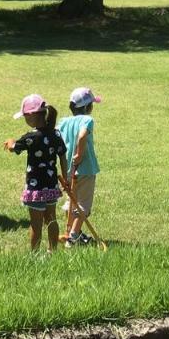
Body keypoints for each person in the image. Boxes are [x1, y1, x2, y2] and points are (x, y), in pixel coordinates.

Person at [6, 94, 69, 252]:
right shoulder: (55, 134)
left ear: (33, 115)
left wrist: (10, 142)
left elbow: (15, 147)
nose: (25, 120)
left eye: (25, 116)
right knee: (51, 219)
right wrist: (66, 178)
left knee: (36, 223)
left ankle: (34, 255)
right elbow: (62, 156)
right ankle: (52, 251)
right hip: (51, 186)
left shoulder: (31, 137)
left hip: (36, 189)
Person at [57, 86, 101, 248]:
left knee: (72, 200)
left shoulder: (64, 122)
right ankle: (73, 237)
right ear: (88, 107)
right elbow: (82, 135)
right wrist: (79, 154)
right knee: (83, 204)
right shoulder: (87, 120)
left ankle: (72, 231)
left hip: (68, 169)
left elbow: (56, 136)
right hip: (86, 168)